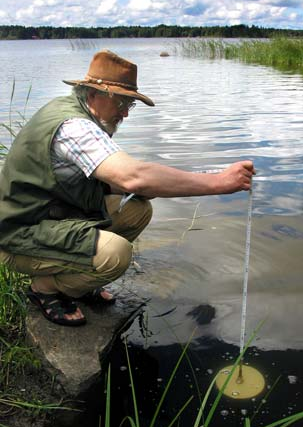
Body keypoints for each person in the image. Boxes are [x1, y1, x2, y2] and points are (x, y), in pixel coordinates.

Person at [0, 49, 255, 327]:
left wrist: (155, 184)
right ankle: (45, 288)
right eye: (121, 102)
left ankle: (78, 281)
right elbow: (132, 177)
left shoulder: (82, 113)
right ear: (95, 93)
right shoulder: (74, 127)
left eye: (129, 105)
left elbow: (116, 181)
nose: (125, 113)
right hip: (16, 234)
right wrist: (219, 182)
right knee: (116, 254)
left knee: (137, 210)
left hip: (47, 218)